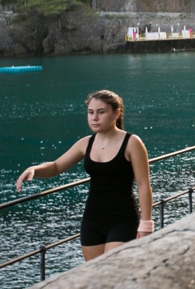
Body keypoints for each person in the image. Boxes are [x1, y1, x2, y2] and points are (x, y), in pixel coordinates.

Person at [15, 90, 153, 262]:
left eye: (101, 112)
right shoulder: (86, 143)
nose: (94, 117)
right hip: (91, 221)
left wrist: (146, 224)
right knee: (95, 277)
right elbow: (56, 166)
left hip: (123, 220)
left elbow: (143, 184)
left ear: (116, 114)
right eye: (90, 112)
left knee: (113, 272)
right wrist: (34, 169)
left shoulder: (132, 143)